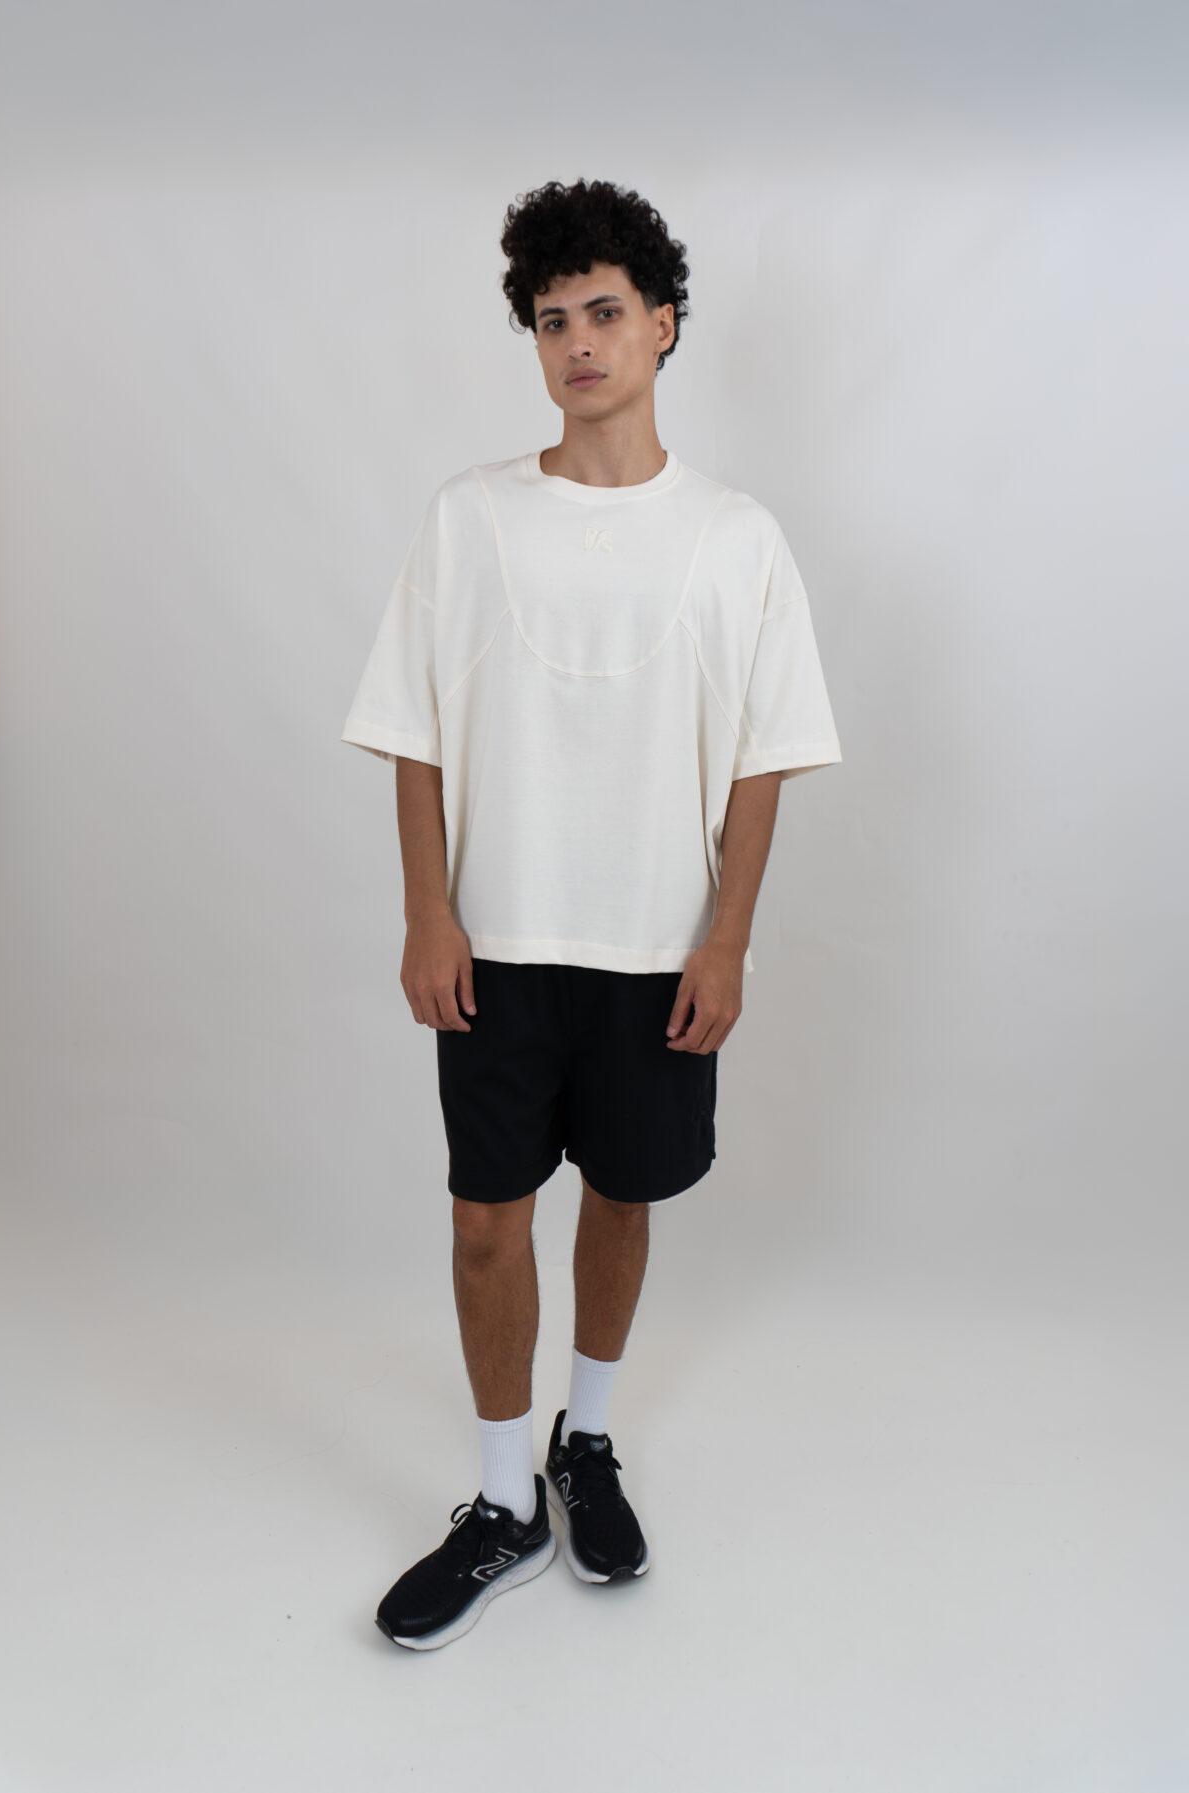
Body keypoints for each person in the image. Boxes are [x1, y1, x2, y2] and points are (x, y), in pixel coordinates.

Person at [340, 176, 843, 1650]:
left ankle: (589, 1438)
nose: (577, 342)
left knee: (623, 1197)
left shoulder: (737, 535)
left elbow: (761, 758)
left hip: (656, 949)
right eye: (552, 320)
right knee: (485, 1222)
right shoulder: (471, 516)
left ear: (663, 324)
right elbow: (416, 731)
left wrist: (727, 938)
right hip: (498, 943)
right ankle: (504, 1501)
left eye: (604, 312)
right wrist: (428, 911)